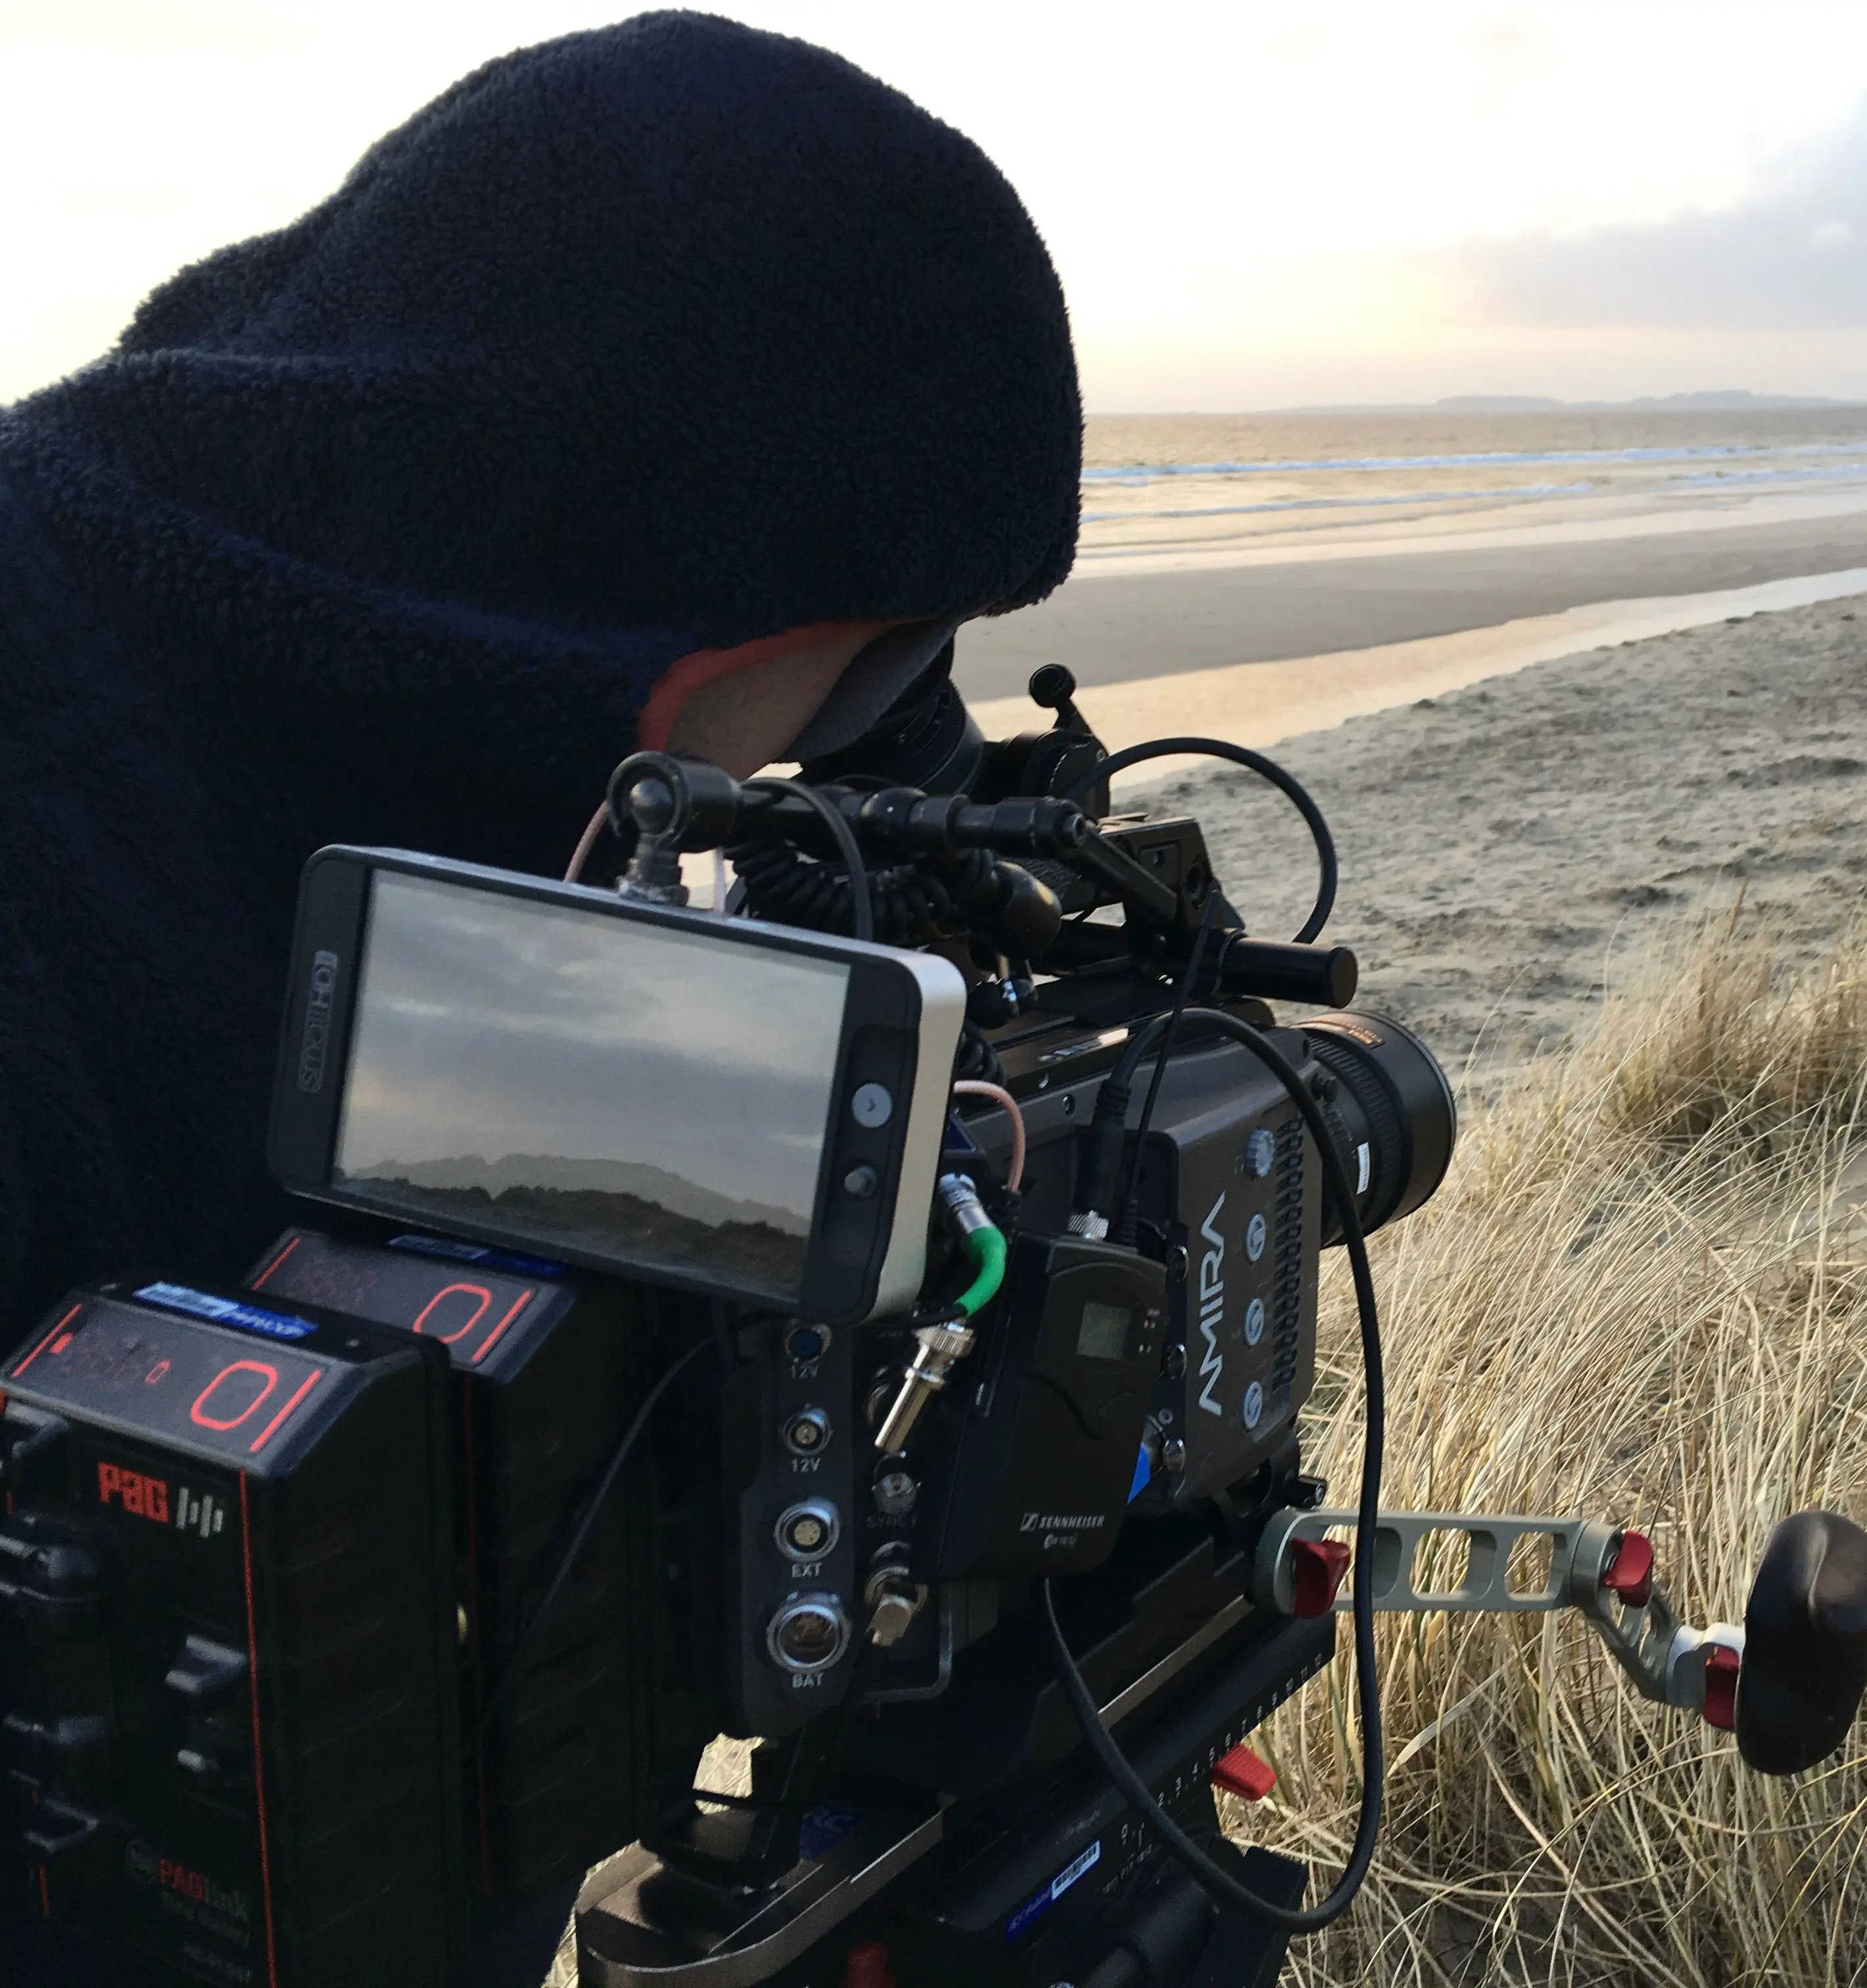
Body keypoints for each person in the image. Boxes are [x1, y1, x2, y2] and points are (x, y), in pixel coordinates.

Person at [0, 14, 1078, 1984]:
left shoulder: (356, 652)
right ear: (712, 585)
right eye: (881, 645)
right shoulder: (61, 829)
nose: (850, 749)